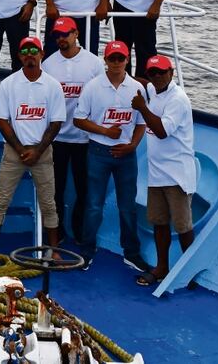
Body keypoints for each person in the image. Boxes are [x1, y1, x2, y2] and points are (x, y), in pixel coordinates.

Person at [0, 37, 65, 264]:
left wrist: (37, 150)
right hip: (13, 152)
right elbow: (1, 121)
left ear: (41, 54)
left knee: (49, 203)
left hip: (42, 152)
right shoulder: (8, 84)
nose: (29, 55)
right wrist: (20, 148)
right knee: (1, 200)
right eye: (24, 51)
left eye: (33, 50)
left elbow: (56, 123)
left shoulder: (53, 85)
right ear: (19, 56)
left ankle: (54, 249)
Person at [73, 40, 150, 273]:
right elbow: (79, 119)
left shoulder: (137, 88)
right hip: (98, 151)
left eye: (120, 58)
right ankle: (87, 251)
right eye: (112, 58)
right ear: (105, 61)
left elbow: (141, 122)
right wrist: (105, 131)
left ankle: (132, 253)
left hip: (126, 154)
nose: (116, 63)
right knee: (93, 206)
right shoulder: (93, 87)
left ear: (127, 60)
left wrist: (133, 145)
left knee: (128, 206)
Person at [130, 55, 196, 286]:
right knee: (158, 222)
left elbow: (161, 131)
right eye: (153, 73)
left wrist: (142, 108)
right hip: (157, 173)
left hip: (177, 174)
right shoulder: (153, 89)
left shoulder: (177, 99)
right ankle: (162, 267)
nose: (157, 77)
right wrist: (117, 73)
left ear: (172, 73)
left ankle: (188, 271)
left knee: (182, 225)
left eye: (162, 72)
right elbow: (140, 81)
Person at [41, 18, 104, 244]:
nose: (61, 39)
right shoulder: (48, 64)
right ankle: (56, 235)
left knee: (84, 191)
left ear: (76, 33)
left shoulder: (94, 64)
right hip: (56, 138)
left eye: (65, 34)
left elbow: (100, 100)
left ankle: (79, 233)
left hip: (84, 139)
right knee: (55, 191)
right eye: (57, 35)